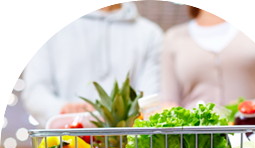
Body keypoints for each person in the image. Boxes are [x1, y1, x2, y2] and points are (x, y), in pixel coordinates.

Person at [22, 2, 163, 127]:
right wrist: (63, 108)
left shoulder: (150, 34)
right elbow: (35, 92)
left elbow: (150, 99)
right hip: (66, 143)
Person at [161, 7, 255, 124]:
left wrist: (254, 108)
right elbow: (168, 103)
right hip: (196, 146)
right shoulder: (173, 38)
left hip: (251, 142)